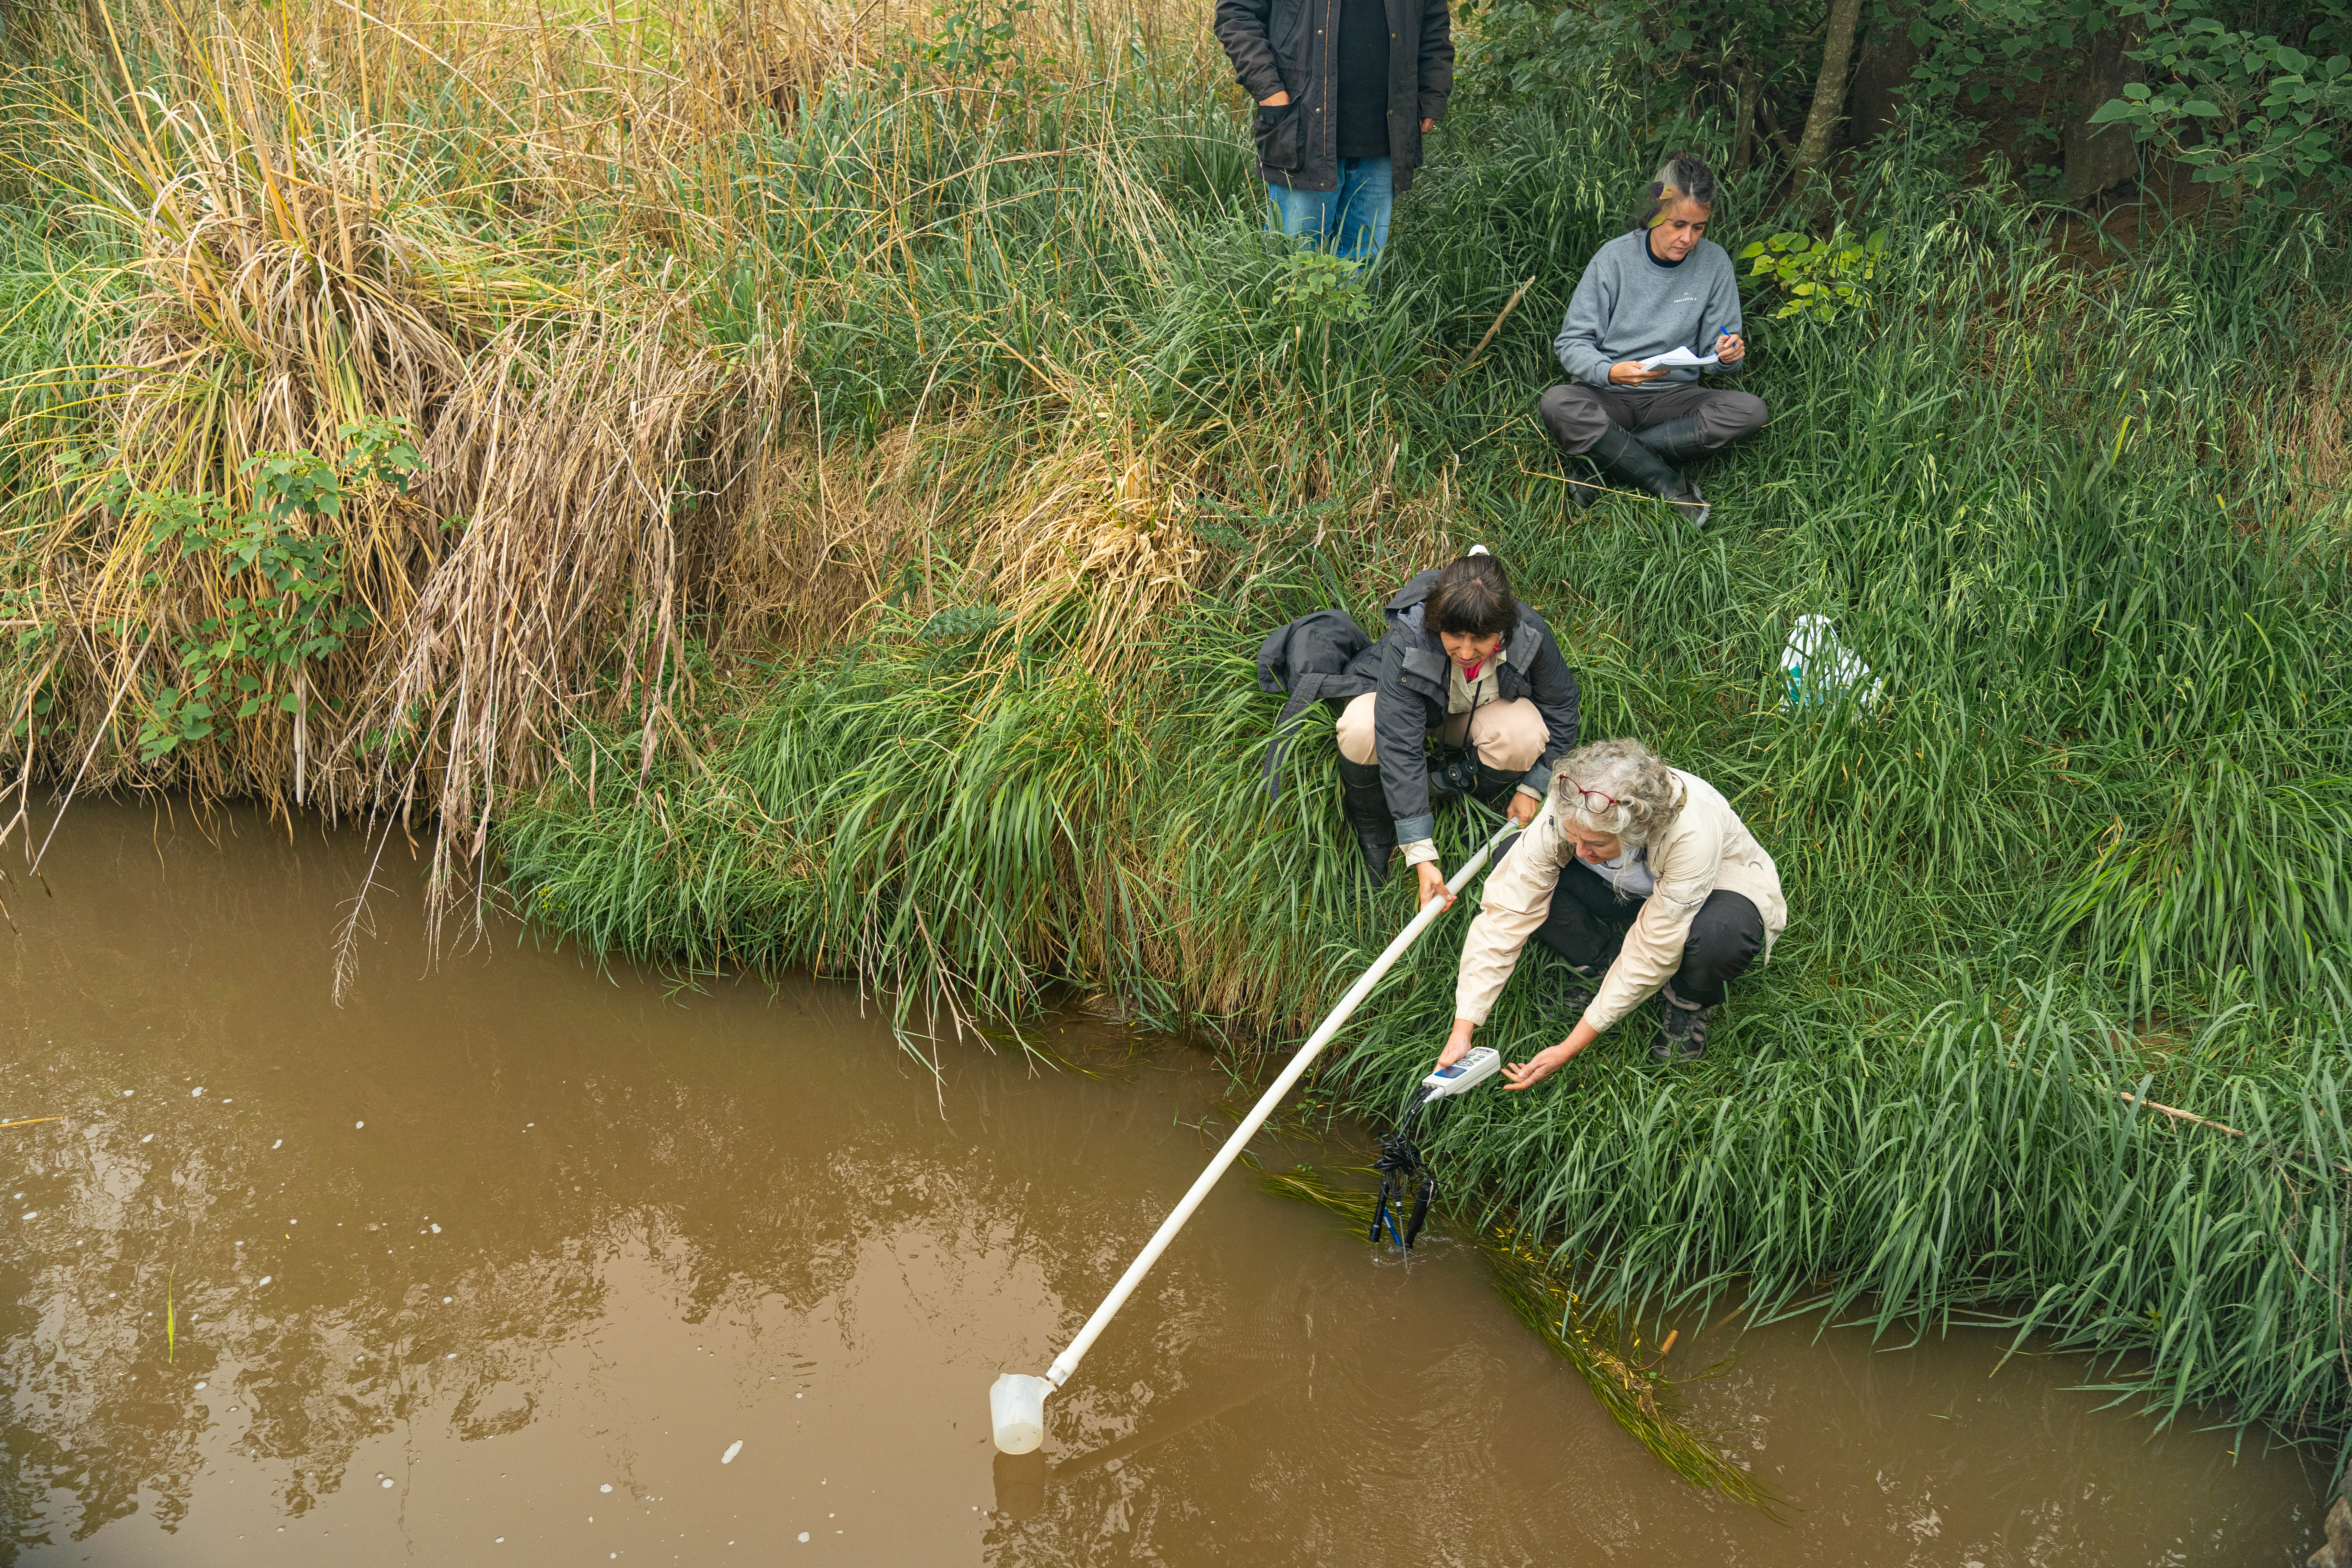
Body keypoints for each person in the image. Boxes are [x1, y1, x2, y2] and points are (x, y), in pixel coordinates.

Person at [1433, 737, 1786, 1070]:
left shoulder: (1692, 833)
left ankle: (1687, 1001)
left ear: (1638, 829)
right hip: (1626, 887)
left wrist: (1570, 1046)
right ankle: (1602, 960)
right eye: (1574, 838)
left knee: (1723, 934)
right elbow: (1510, 908)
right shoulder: (1570, 799)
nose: (1580, 852)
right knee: (1512, 857)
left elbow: (1653, 950)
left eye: (1596, 844)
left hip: (1708, 895)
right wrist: (1464, 1027)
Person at [1331, 551, 1579, 908]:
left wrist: (1533, 788)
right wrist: (1421, 854)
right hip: (1411, 713)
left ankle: (1457, 796)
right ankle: (1374, 826)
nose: (1465, 651)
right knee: (1360, 727)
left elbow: (1561, 705)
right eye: (1455, 635)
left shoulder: (1529, 632)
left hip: (1472, 713)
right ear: (1437, 622)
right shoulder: (1411, 637)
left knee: (1525, 733)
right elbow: (1399, 742)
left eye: (1480, 638)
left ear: (1503, 629)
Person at [1539, 152, 1768, 528]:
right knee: (1557, 402)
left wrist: (1726, 356)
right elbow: (1572, 343)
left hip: (1673, 397)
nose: (1687, 239)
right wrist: (1610, 372)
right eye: (1679, 224)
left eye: (1699, 228)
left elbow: (1718, 352)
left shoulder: (1715, 264)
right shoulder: (1614, 259)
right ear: (1656, 211)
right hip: (1608, 394)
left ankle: (1605, 460)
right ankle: (1670, 486)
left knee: (1750, 411)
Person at [1214, 0, 1452, 263]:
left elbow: (1434, 24)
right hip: (1303, 131)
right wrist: (1268, 89)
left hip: (1385, 138)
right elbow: (1236, 12)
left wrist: (1433, 94)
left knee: (1363, 267)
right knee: (1295, 265)